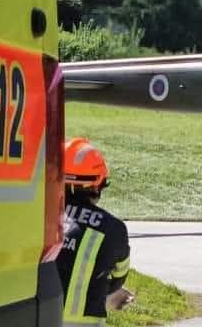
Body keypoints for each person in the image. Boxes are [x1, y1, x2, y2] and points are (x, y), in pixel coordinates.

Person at [57, 138, 133, 326]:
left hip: (36, 318)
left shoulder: (39, 216)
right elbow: (118, 279)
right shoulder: (114, 229)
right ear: (97, 185)